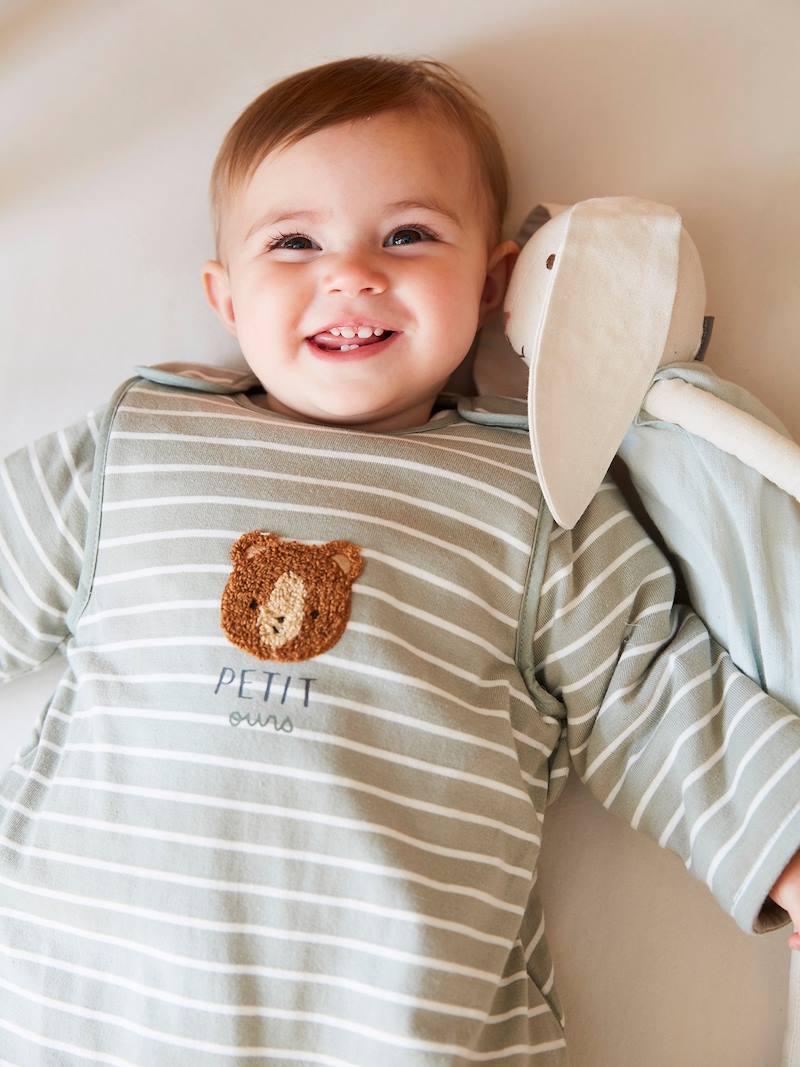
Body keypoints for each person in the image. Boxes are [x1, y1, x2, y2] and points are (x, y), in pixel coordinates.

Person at [1, 53, 799, 1066]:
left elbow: (649, 692)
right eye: (293, 241)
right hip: (79, 1002)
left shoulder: (535, 492)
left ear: (493, 282)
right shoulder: (142, 442)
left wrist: (782, 846)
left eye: (407, 235)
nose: (350, 272)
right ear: (225, 295)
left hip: (394, 1019)